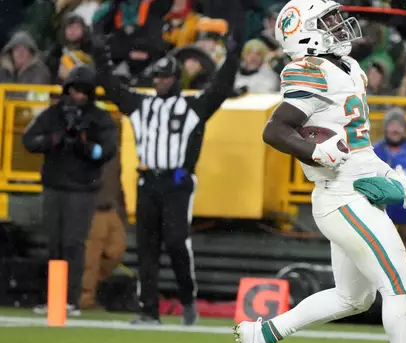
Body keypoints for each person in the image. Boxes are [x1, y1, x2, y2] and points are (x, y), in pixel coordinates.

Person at [234, 1, 406, 343]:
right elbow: (275, 129)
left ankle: (262, 335)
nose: (339, 25)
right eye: (327, 21)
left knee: (353, 297)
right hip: (341, 196)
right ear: (304, 32)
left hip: (353, 191)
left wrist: (383, 170)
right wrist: (313, 152)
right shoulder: (309, 70)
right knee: (401, 284)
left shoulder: (348, 68)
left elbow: (357, 145)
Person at [91, 5, 244, 326]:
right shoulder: (140, 104)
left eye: (165, 77)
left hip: (176, 182)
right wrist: (98, 48)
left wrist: (234, 52)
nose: (160, 81)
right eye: (157, 76)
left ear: (175, 79)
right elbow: (109, 84)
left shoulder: (191, 106)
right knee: (146, 248)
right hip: (147, 181)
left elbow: (219, 88)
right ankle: (149, 311)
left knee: (176, 243)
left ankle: (187, 299)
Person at [23, 64, 118, 316]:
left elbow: (107, 151)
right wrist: (53, 140)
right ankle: (53, 298)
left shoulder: (99, 118)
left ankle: (71, 299)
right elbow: (29, 140)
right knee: (54, 243)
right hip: (54, 186)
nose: (78, 96)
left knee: (73, 243)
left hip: (82, 189)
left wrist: (85, 147)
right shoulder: (53, 115)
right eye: (75, 91)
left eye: (83, 92)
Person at [373, 108, 406, 265]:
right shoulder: (373, 152)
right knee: (379, 255)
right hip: (380, 214)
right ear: (385, 127)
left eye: (399, 126)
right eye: (392, 125)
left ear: (405, 129)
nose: (395, 130)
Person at [80, 150, 127, 310]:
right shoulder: (83, 147)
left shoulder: (113, 151)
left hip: (111, 208)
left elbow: (117, 181)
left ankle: (84, 285)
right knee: (91, 257)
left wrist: (122, 209)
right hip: (92, 208)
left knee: (116, 251)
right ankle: (84, 298)